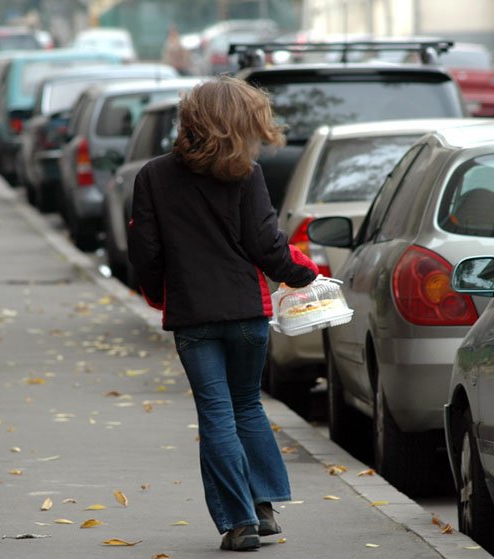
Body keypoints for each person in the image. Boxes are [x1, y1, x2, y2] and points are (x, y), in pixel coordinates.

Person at [128, 76, 318, 551]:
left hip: (193, 318)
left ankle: (240, 523)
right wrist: (304, 274)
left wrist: (158, 296)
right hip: (246, 314)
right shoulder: (246, 174)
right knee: (248, 405)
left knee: (216, 413)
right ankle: (266, 508)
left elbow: (145, 254)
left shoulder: (152, 176)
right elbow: (266, 246)